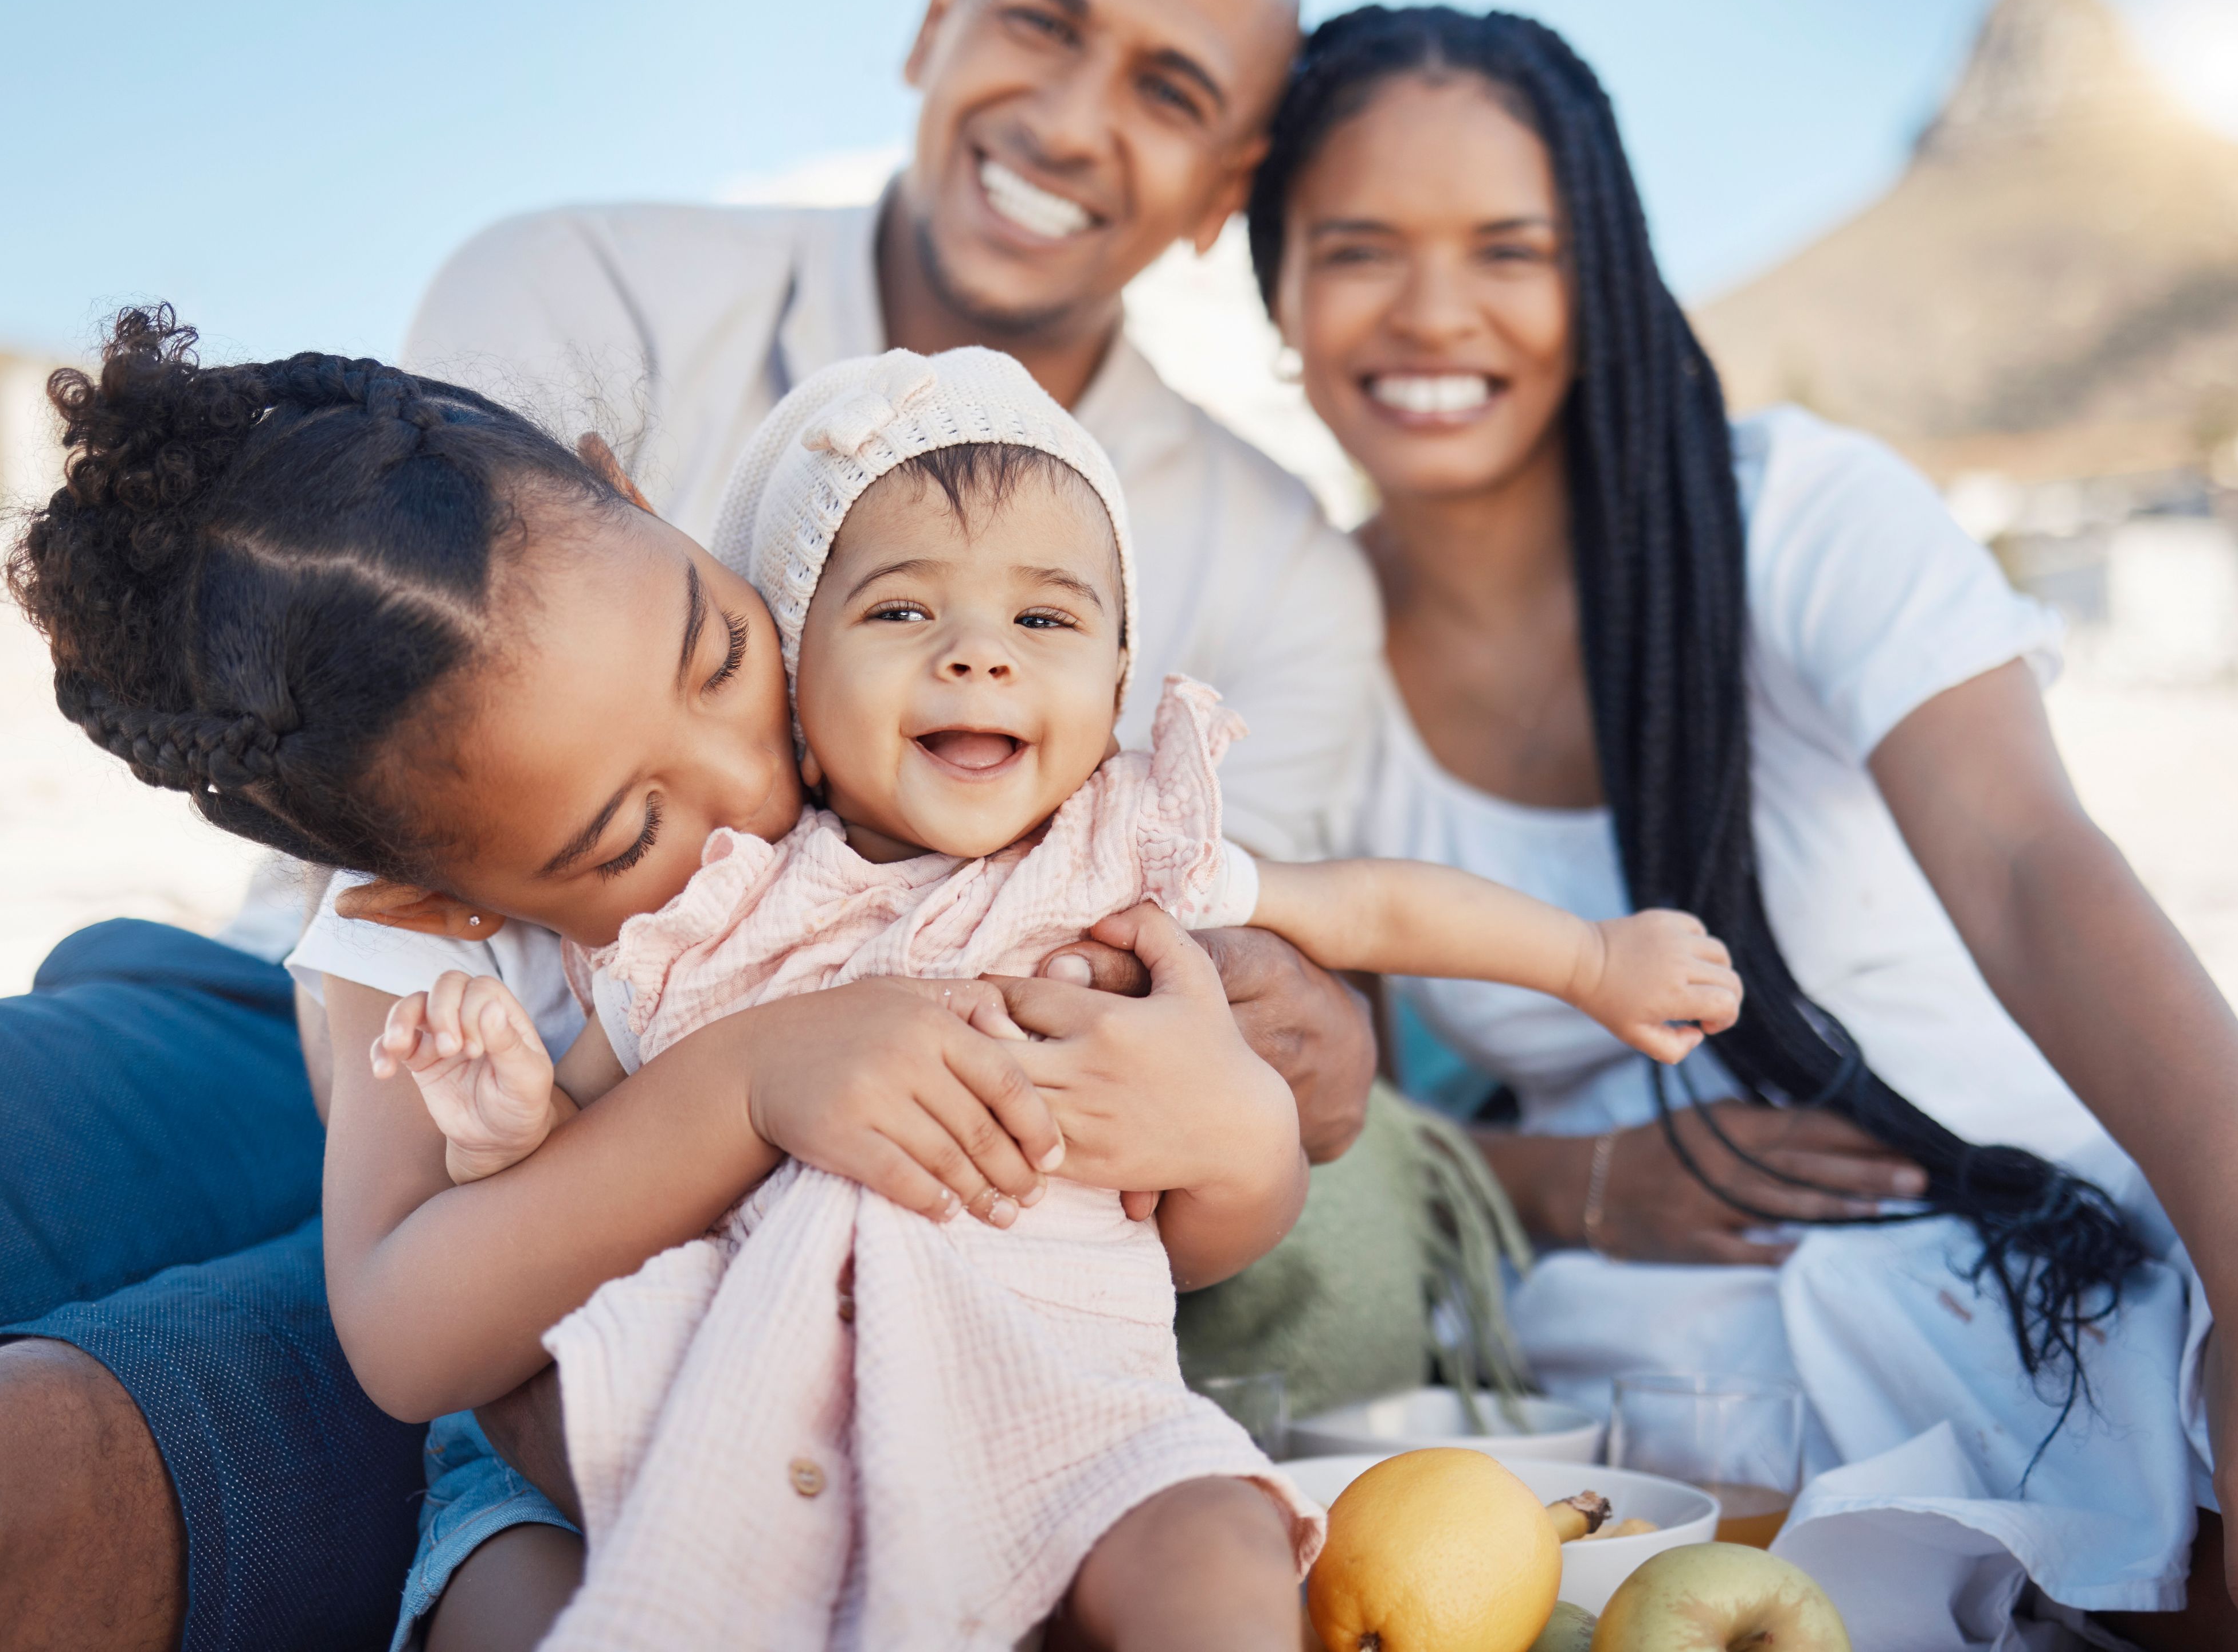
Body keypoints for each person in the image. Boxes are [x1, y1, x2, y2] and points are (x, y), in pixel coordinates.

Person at [0, 0, 1381, 1652]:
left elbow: (1199, 979)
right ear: (935, 16)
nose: (1068, 116)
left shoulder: (1269, 552)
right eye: (1042, 21)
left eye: (1168, 88)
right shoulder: (588, 291)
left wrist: (1255, 1030)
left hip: (738, 1218)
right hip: (329, 1027)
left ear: (1228, 185)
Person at [1242, 2, 2238, 1652]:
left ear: (1598, 275)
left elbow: (2031, 864)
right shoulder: (1295, 655)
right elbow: (1349, 1135)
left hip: (2093, 1179)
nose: (1434, 309)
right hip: (1730, 1336)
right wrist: (1577, 1174)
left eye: (1508, 248)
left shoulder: (1789, 507)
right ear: (1277, 290)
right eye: (1360, 248)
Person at [319, 346, 1732, 1645]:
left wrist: (1591, 960)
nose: (978, 652)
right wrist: (502, 1121)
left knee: (1219, 1541)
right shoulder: (731, 905)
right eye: (901, 609)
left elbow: (1370, 902)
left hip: (1073, 1395)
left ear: (1119, 679)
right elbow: (581, 1151)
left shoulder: (1121, 851)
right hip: (773, 1395)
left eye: (1045, 616)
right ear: (801, 676)